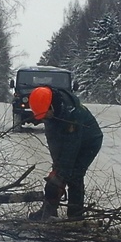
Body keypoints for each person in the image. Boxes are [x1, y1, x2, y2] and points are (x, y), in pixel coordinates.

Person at [26, 86, 103, 220]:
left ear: (51, 105)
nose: (46, 118)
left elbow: (70, 148)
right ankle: (49, 210)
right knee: (58, 174)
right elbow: (53, 140)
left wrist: (61, 175)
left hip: (89, 142)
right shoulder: (51, 110)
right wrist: (56, 169)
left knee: (74, 175)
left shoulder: (71, 115)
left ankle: (75, 215)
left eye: (46, 114)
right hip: (71, 139)